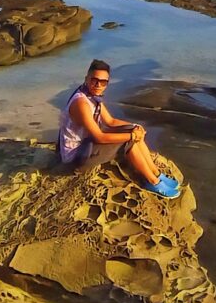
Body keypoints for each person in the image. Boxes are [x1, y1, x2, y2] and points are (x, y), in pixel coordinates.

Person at [58, 59, 180, 198]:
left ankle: (157, 173)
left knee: (132, 131)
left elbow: (110, 121)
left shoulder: (91, 96)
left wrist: (135, 127)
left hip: (87, 145)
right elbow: (99, 137)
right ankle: (152, 181)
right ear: (87, 79)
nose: (98, 85)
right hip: (76, 157)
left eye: (103, 82)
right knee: (128, 141)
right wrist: (131, 137)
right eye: (94, 80)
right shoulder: (81, 103)